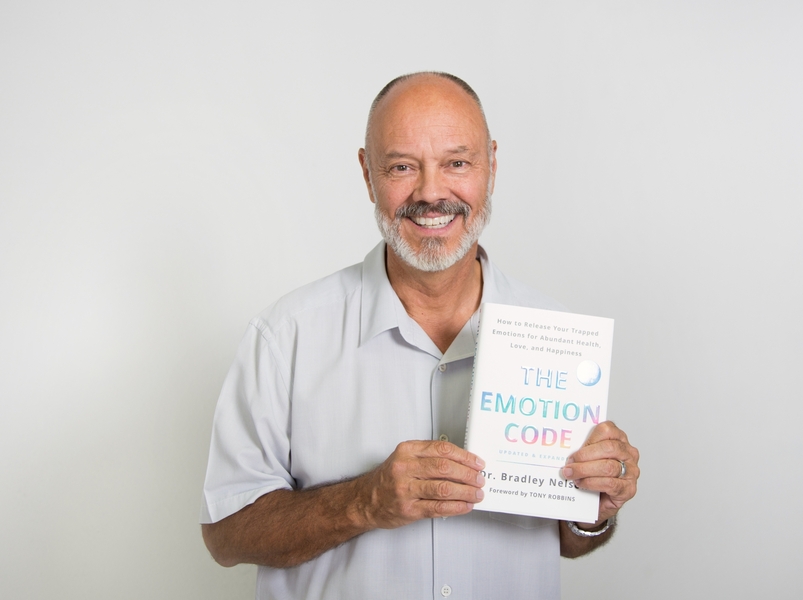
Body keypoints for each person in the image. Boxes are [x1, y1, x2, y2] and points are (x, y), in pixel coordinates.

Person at [200, 71, 640, 600]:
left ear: (491, 165)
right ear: (368, 175)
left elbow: (568, 538)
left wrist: (595, 510)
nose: (431, 193)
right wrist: (364, 502)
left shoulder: (557, 338)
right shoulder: (285, 337)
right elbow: (226, 534)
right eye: (403, 167)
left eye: (457, 163)